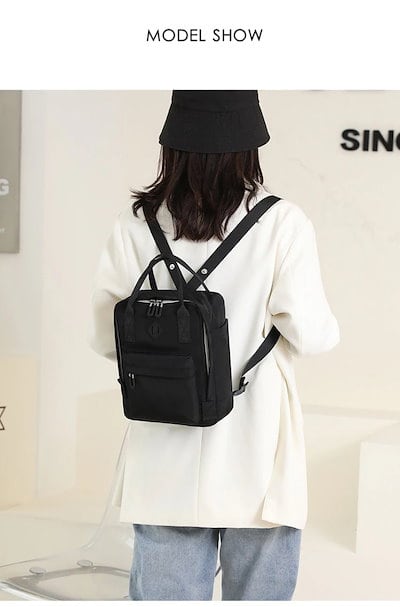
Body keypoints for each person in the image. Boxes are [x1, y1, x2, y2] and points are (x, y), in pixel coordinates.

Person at [88, 90, 340, 601]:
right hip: (255, 451)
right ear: (249, 147)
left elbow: (104, 335)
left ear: (172, 146)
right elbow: (313, 335)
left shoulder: (135, 223)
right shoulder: (281, 223)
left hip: (164, 453)